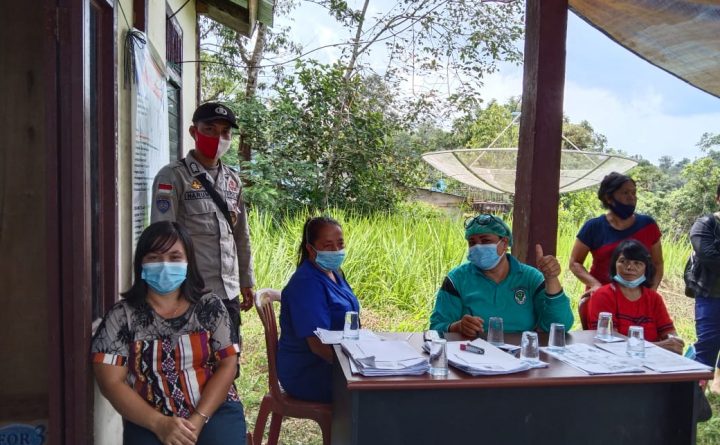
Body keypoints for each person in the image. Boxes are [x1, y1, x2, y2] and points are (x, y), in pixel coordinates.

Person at [91, 222, 246, 444]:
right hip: (148, 417)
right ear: (141, 263)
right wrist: (160, 424)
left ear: (188, 263)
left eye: (175, 257)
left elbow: (228, 365)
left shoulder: (209, 307)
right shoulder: (121, 316)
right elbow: (111, 382)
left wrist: (197, 420)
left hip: (212, 410)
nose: (164, 265)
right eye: (154, 257)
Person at [151, 102, 255, 340]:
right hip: (190, 295)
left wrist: (246, 280)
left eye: (225, 132)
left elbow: (241, 235)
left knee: (230, 357)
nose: (218, 138)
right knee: (194, 360)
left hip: (228, 293)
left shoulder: (233, 180)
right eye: (210, 129)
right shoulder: (173, 176)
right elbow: (161, 238)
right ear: (193, 132)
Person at [429, 214, 574, 336]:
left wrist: (551, 278)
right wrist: (457, 327)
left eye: (485, 241)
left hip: (521, 355)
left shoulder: (530, 278)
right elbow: (436, 328)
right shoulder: (457, 280)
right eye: (472, 243)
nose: (478, 247)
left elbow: (560, 326)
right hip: (473, 354)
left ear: (504, 243)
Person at [277, 216, 360, 402]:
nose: (336, 251)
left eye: (340, 244)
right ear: (310, 249)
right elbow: (318, 345)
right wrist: (354, 369)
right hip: (310, 371)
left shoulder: (334, 273)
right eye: (328, 246)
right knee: (377, 391)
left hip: (337, 360)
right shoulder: (306, 283)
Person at [569, 172, 663, 294]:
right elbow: (575, 263)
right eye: (625, 193)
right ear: (609, 198)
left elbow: (658, 263)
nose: (632, 197)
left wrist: (651, 293)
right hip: (602, 296)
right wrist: (595, 285)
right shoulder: (593, 227)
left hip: (638, 297)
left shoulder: (648, 225)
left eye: (634, 193)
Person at [587, 239, 683, 354]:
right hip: (616, 360)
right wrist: (660, 346)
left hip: (654, 359)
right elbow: (609, 343)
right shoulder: (603, 295)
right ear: (614, 265)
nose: (629, 267)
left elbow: (669, 332)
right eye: (623, 261)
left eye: (637, 263)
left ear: (646, 268)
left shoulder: (654, 298)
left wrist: (675, 342)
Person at [686, 183, 720, 390]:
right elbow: (709, 257)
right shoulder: (706, 224)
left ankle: (716, 387)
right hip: (711, 295)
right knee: (708, 344)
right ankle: (694, 392)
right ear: (718, 198)